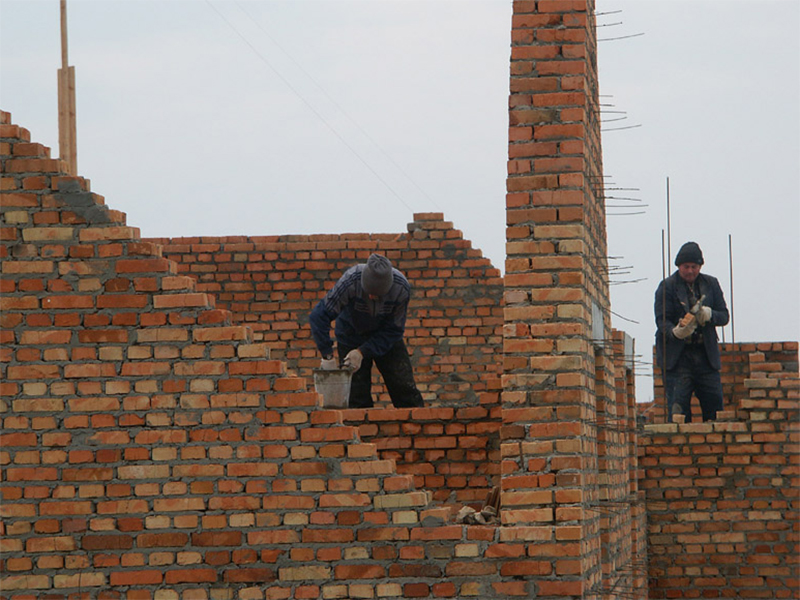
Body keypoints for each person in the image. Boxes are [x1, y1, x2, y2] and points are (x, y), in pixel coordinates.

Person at [309, 253, 424, 409]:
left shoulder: (400, 288)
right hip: (351, 335)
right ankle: (362, 432)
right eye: (368, 292)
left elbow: (394, 330)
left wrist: (362, 352)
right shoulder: (351, 281)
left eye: (376, 296)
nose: (370, 296)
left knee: (404, 389)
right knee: (356, 399)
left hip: (385, 338)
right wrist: (327, 356)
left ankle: (416, 429)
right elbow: (319, 316)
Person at [654, 241, 730, 422]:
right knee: (678, 413)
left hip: (705, 357)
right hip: (679, 359)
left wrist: (709, 315)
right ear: (679, 266)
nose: (690, 271)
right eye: (686, 267)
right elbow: (661, 320)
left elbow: (724, 316)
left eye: (694, 267)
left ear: (700, 266)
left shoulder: (710, 284)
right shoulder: (667, 287)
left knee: (715, 410)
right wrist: (675, 331)